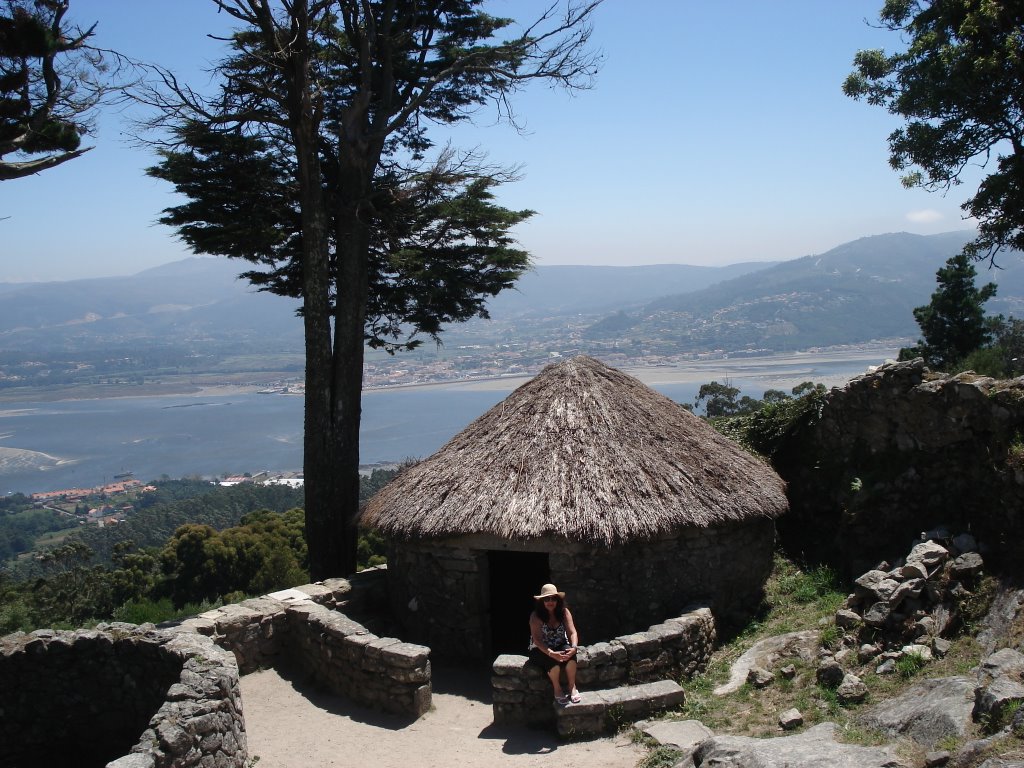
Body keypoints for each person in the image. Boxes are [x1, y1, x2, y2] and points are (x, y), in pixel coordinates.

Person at [528, 583, 581, 705]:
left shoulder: (564, 612)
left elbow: (572, 632)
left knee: (571, 657)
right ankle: (557, 689)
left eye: (553, 598)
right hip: (540, 649)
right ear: (542, 601)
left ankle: (572, 687)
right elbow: (537, 640)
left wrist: (574, 647)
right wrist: (551, 653)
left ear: (558, 600)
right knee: (553, 662)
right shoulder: (535, 616)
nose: (550, 602)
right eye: (547, 599)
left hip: (559, 644)